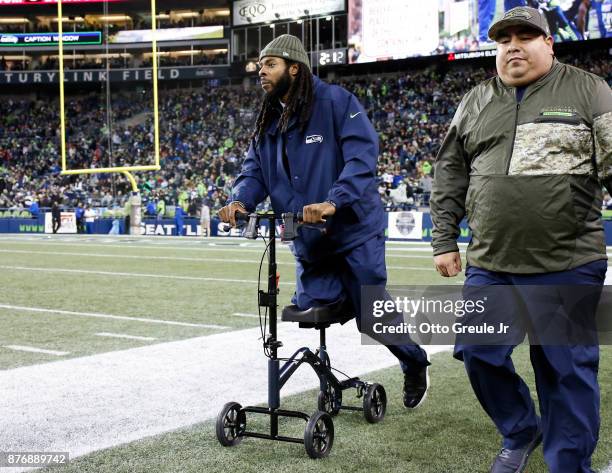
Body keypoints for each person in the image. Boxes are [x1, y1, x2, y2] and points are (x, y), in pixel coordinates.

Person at [430, 6, 611, 473]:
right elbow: (450, 173)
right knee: (478, 353)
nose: (513, 45)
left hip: (567, 262)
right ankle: (520, 429)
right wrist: (444, 239)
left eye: (525, 36)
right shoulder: (474, 101)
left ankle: (568, 465)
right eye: (504, 38)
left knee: (564, 372)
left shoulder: (590, 90)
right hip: (492, 261)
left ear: (548, 43)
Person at [219, 34, 431, 408]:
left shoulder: (336, 102)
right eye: (260, 66)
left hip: (354, 231)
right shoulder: (268, 120)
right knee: (311, 306)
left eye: (270, 64)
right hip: (308, 239)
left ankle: (414, 363)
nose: (261, 72)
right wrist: (239, 201)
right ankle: (352, 296)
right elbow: (254, 173)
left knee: (372, 316)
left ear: (294, 68)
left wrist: (334, 201)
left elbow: (362, 158)